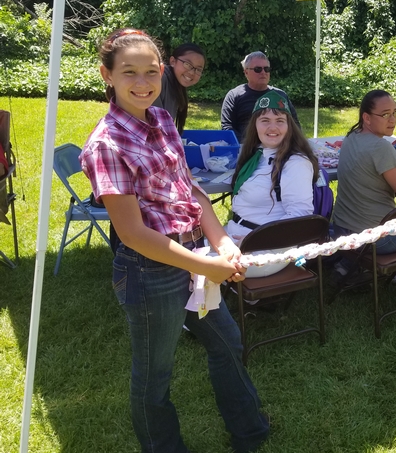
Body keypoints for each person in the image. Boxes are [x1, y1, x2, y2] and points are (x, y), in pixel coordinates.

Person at [79, 28, 269, 453]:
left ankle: (250, 431)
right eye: (129, 72)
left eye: (151, 71)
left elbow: (189, 189)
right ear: (106, 74)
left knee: (228, 343)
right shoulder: (106, 144)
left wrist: (221, 241)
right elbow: (131, 233)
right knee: (154, 376)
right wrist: (204, 265)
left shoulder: (163, 119)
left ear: (163, 72)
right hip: (149, 271)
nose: (142, 82)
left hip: (195, 254)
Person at [331, 90, 396, 272]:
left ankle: (350, 264)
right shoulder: (381, 147)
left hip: (341, 230)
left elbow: (370, 173)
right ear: (366, 118)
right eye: (385, 114)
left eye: (395, 112)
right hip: (376, 239)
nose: (392, 119)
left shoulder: (352, 137)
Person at [226, 90, 317, 246]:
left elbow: (299, 216)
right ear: (255, 124)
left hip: (265, 245)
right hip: (238, 233)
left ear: (289, 126)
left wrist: (256, 241)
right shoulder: (257, 154)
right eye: (265, 120)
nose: (273, 127)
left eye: (280, 120)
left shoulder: (295, 163)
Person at [221, 51, 300, 142]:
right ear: (246, 72)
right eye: (258, 69)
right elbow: (227, 127)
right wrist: (248, 146)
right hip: (245, 148)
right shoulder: (234, 96)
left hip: (279, 148)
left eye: (266, 69)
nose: (263, 72)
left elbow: (295, 125)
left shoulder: (280, 95)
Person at [152, 42, 205, 135]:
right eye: (188, 64)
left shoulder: (176, 84)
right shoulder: (160, 80)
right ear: (173, 61)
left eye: (198, 69)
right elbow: (154, 127)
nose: (192, 72)